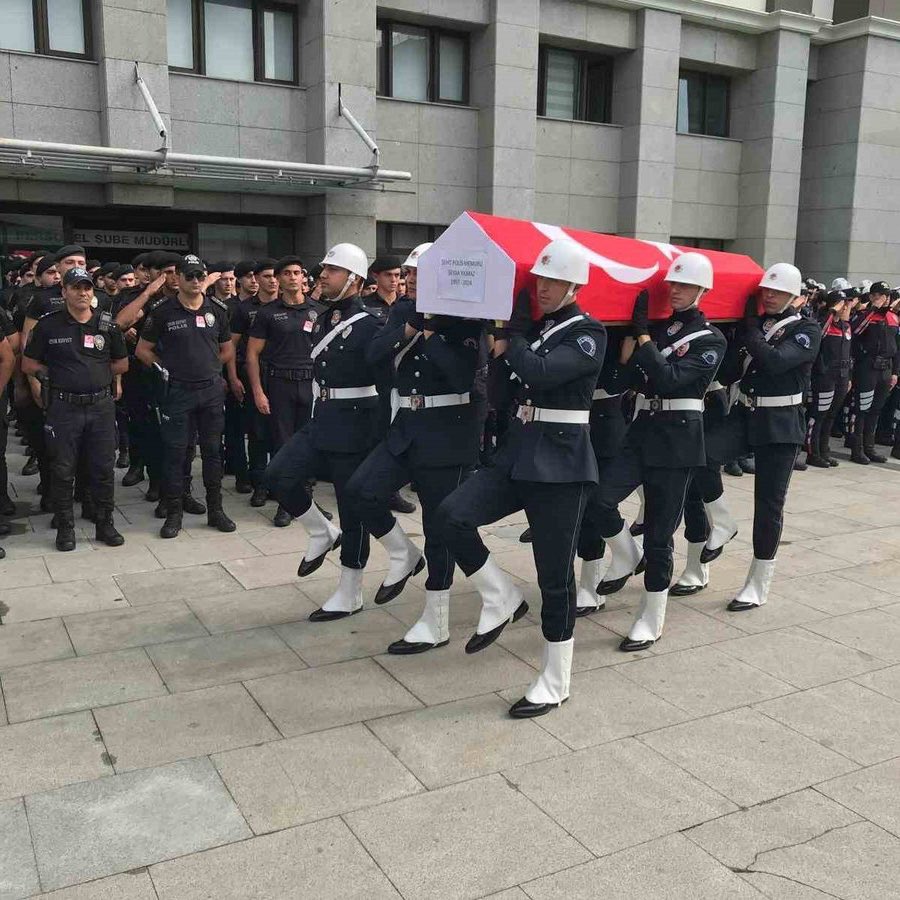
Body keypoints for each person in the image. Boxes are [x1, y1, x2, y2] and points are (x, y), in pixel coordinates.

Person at [436, 239, 605, 718]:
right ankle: (502, 595)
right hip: (519, 451)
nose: (543, 288)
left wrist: (517, 339)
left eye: (552, 281)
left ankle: (556, 678)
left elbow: (542, 373)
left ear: (574, 285)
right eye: (539, 281)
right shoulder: (542, 330)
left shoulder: (588, 333)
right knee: (452, 516)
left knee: (554, 575)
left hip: (561, 463)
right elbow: (508, 382)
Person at [344, 259, 483, 653]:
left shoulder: (465, 319)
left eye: (419, 275)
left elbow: (460, 375)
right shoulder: (404, 311)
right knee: (361, 492)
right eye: (407, 274)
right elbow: (373, 355)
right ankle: (404, 553)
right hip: (406, 425)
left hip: (447, 431)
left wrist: (432, 330)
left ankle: (436, 621)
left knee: (439, 527)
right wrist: (409, 328)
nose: (408, 281)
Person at [590, 253, 726, 652]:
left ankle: (651, 618)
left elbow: (670, 379)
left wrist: (645, 338)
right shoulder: (660, 331)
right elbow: (633, 377)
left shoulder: (711, 339)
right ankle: (627, 555)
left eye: (684, 285)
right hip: (642, 432)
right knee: (599, 500)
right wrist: (629, 342)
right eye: (672, 285)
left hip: (679, 442)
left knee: (661, 535)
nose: (676, 291)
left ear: (702, 290)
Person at [262, 242, 382, 619]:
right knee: (278, 475)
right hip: (322, 417)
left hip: (356, 423)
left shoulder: (372, 324)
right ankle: (320, 531)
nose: (322, 276)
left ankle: (351, 592)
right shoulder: (324, 317)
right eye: (324, 269)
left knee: (352, 509)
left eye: (332, 271)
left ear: (355, 280)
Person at [703, 263, 821, 611]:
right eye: (765, 291)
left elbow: (774, 361)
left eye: (777, 292)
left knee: (769, 504)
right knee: (702, 456)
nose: (769, 296)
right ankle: (723, 522)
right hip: (745, 413)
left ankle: (757, 583)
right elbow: (730, 370)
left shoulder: (806, 330)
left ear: (794, 297)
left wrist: (750, 330)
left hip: (781, 422)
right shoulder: (757, 326)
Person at [21, 267, 128, 551]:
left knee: (103, 468)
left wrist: (96, 375)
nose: (83, 293)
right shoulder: (48, 326)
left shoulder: (107, 325)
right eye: (76, 287)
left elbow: (121, 363)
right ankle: (65, 527)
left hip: (100, 407)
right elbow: (29, 364)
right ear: (64, 291)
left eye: (87, 288)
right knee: (63, 470)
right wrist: (54, 376)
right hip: (64, 408)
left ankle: (105, 524)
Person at [136, 254, 236, 538]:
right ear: (177, 277)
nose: (195, 281)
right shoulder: (163, 311)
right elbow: (143, 350)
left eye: (200, 276)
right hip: (177, 393)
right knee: (176, 454)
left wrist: (212, 367)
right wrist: (165, 369)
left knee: (213, 452)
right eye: (189, 276)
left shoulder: (216, 309)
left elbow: (227, 348)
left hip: (210, 391)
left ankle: (216, 510)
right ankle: (175, 514)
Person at [246, 256, 321, 527]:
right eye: (286, 273)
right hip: (280, 385)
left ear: (304, 277)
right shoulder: (267, 313)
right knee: (283, 446)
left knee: (311, 445)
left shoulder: (318, 310)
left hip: (311, 383)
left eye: (297, 273)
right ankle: (286, 504)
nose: (292, 277)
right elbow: (252, 355)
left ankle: (308, 503)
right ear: (278, 278)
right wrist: (258, 392)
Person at [365, 255, 416, 515]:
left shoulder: (408, 305)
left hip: (405, 383)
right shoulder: (366, 306)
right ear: (376, 276)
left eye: (398, 275)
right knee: (381, 435)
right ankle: (385, 489)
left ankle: (398, 486)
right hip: (378, 381)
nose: (395, 280)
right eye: (389, 275)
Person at [849, 281, 898, 465]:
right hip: (868, 367)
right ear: (871, 297)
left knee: (876, 409)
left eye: (885, 295)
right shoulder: (864, 315)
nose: (882, 298)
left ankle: (869, 448)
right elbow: (855, 332)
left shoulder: (893, 317)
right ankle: (857, 449)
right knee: (862, 409)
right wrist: (872, 310)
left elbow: (897, 347)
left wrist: (895, 372)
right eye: (877, 295)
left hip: (886, 368)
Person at [806, 290, 852, 467]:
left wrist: (849, 376)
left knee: (831, 415)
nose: (847, 307)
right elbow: (819, 335)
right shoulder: (822, 322)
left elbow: (850, 353)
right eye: (843, 304)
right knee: (818, 415)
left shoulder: (846, 327)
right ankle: (812, 452)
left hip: (841, 375)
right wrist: (831, 312)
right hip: (825, 376)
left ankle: (824, 450)